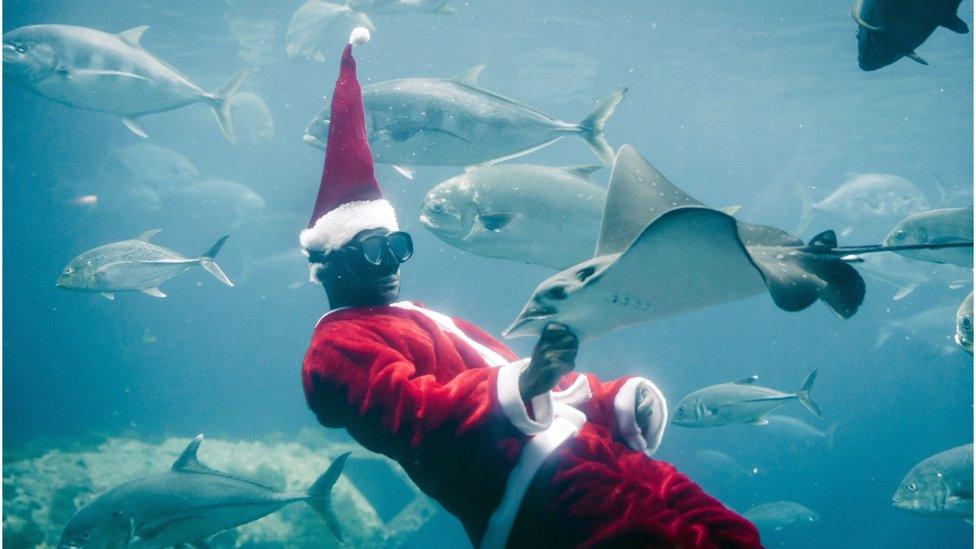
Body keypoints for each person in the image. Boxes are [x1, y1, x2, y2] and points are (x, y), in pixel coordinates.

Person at [300, 28, 762, 549]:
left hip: (603, 455)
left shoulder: (417, 315)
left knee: (736, 536)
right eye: (370, 251)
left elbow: (538, 386)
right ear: (327, 260)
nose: (390, 264)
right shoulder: (336, 350)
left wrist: (613, 402)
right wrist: (522, 386)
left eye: (398, 246)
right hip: (541, 498)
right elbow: (416, 418)